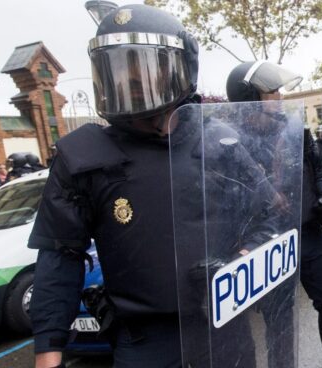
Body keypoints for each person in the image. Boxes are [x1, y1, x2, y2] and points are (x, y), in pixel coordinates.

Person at [28, 5, 265, 367]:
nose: (131, 86)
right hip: (146, 344)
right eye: (121, 74)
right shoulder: (85, 158)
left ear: (183, 70)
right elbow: (59, 259)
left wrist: (250, 253)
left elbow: (268, 214)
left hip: (224, 327)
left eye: (146, 72)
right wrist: (49, 352)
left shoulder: (222, 143)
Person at [226, 60, 322, 368]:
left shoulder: (295, 128)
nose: (280, 96)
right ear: (249, 97)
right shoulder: (232, 140)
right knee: (279, 317)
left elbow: (318, 166)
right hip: (268, 240)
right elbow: (231, 197)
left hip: (306, 231)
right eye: (272, 92)